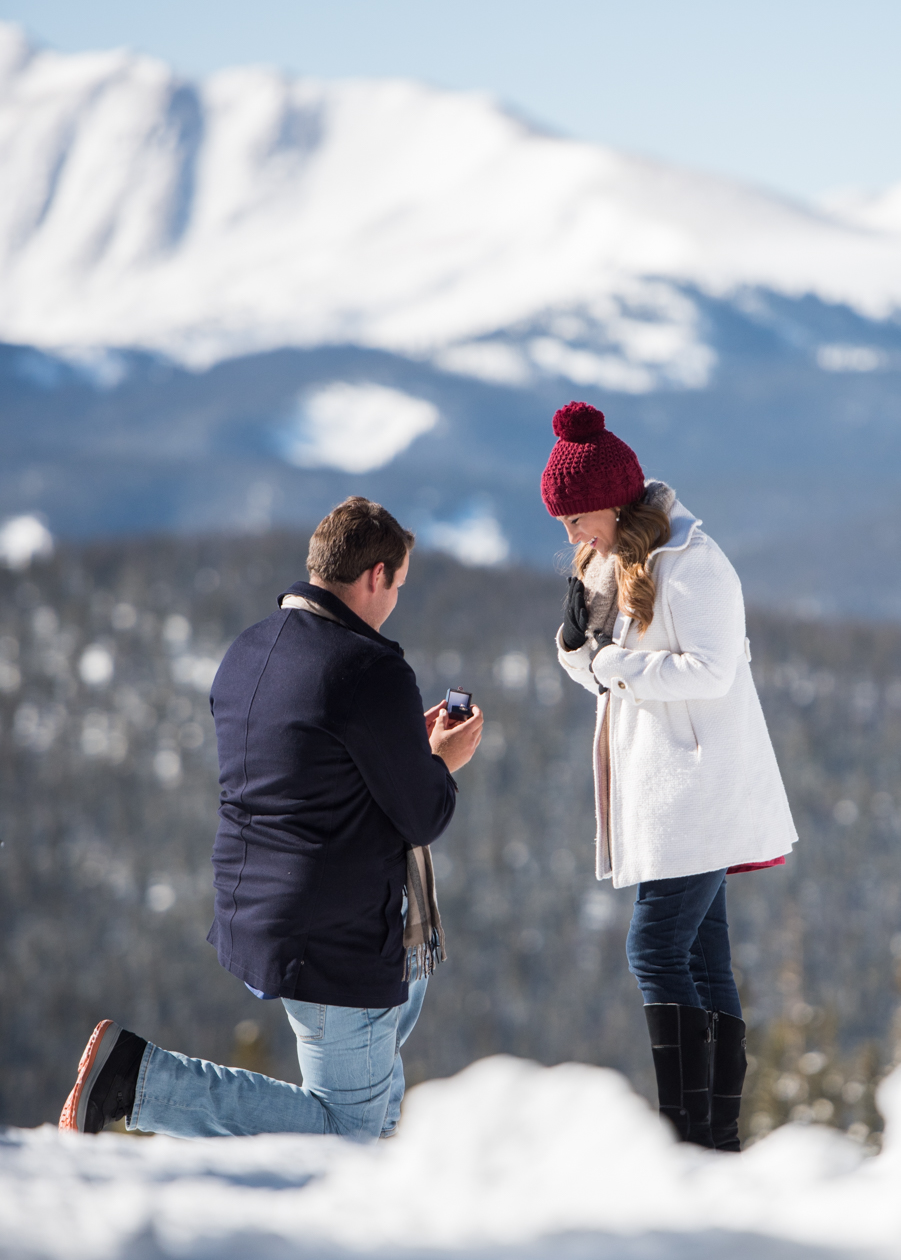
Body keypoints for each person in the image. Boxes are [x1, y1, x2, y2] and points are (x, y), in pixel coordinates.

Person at [60, 497, 483, 1139]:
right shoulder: (369, 669)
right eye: (397, 583)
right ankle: (137, 1079)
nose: (395, 597)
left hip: (261, 912)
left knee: (373, 1108)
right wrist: (440, 760)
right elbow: (422, 814)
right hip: (336, 933)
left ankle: (379, 1192)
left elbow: (309, 772)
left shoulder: (249, 650)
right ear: (374, 575)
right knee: (347, 1132)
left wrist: (401, 748)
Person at [541, 402, 797, 1150]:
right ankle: (712, 1139)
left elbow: (712, 672)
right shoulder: (602, 562)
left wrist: (609, 661)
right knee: (698, 958)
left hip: (697, 789)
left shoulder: (694, 560)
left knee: (653, 951)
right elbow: (598, 676)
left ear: (614, 501)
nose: (571, 535)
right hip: (661, 790)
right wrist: (575, 647)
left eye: (577, 518)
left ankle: (683, 1136)